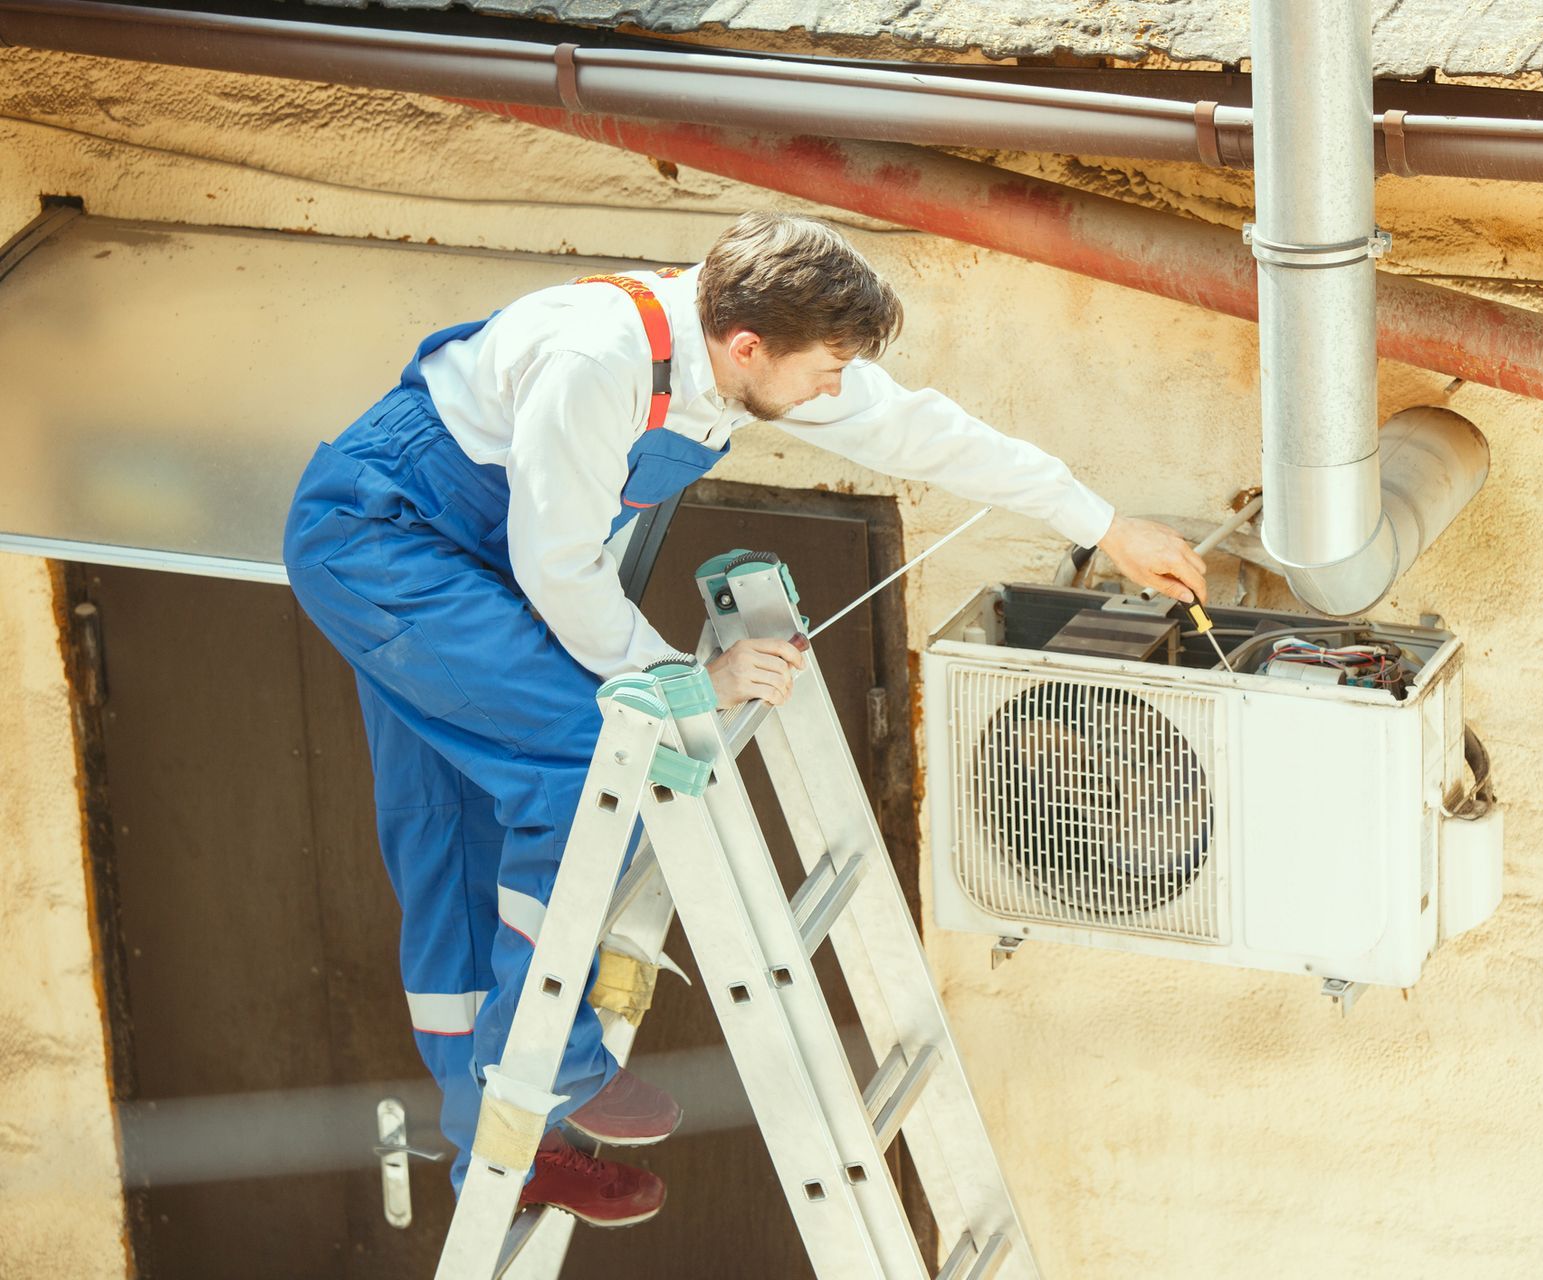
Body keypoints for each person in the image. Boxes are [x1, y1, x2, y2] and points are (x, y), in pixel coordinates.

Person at [281, 211, 1207, 1226]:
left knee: (459, 819)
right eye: (826, 369)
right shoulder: (600, 360)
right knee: (590, 757)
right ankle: (543, 1072)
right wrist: (689, 679)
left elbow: (927, 431)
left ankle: (500, 1148)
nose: (835, 390)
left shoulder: (737, 352)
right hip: (386, 541)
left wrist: (1105, 524)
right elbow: (559, 570)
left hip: (474, 550)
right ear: (749, 345)